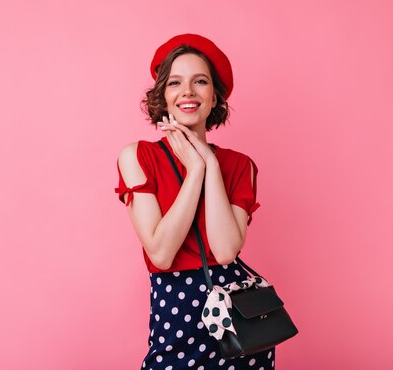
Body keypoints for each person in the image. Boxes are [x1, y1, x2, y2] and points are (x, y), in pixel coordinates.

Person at [115, 34, 275, 369]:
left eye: (199, 81)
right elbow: (161, 253)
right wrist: (196, 170)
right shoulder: (138, 157)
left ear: (214, 96)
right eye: (175, 82)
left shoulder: (238, 165)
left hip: (240, 328)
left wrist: (211, 164)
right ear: (163, 96)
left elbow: (226, 250)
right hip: (175, 323)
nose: (187, 91)